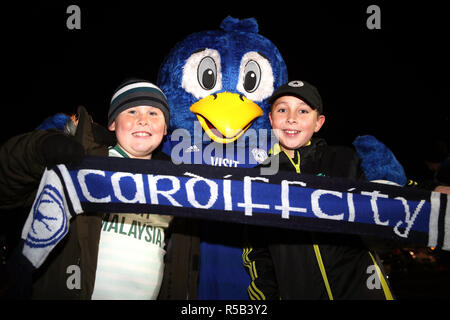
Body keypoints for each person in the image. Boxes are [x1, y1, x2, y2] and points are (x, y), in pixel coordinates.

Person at [0, 78, 172, 299]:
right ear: (112, 123)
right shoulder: (80, 164)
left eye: (153, 113)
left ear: (165, 127)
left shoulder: (176, 185)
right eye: (131, 111)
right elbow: (7, 183)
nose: (142, 120)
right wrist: (38, 150)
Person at [242, 80, 394, 300]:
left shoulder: (346, 160)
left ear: (318, 122)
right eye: (282, 109)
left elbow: (396, 199)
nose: (291, 118)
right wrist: (266, 295)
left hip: (362, 290)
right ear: (271, 119)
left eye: (303, 111)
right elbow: (255, 251)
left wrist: (433, 190)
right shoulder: (259, 178)